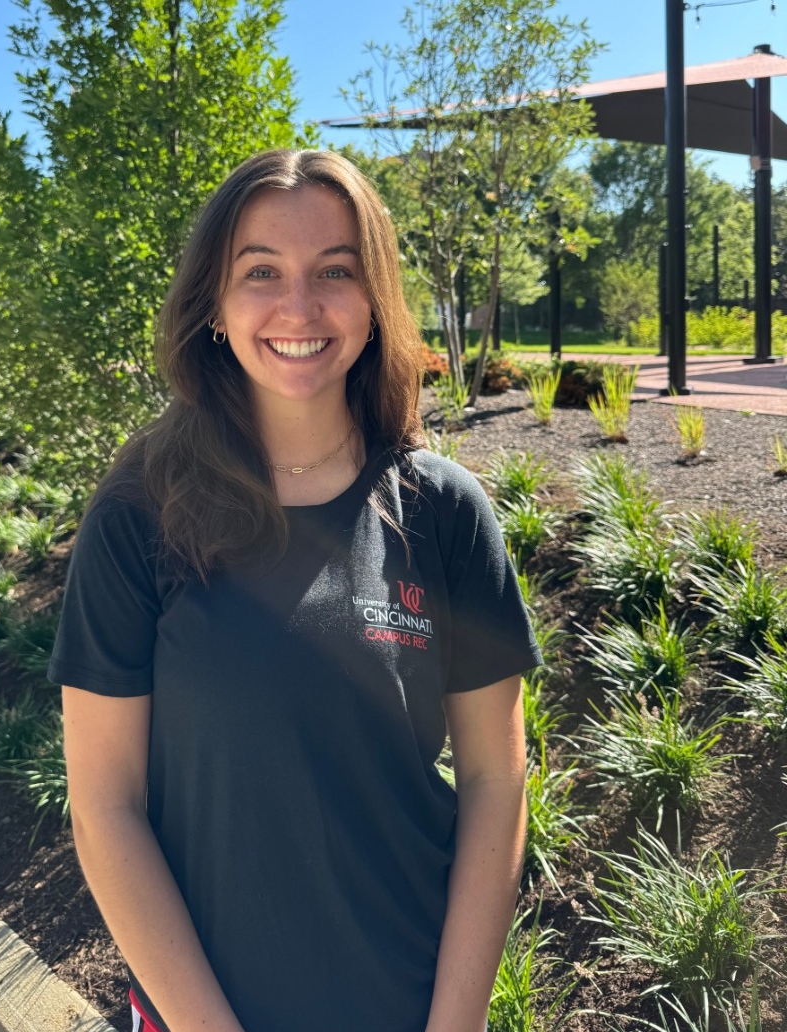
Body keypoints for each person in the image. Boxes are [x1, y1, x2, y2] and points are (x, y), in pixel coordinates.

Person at [48, 148, 540, 1032]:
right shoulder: (138, 511)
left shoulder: (443, 513)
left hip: (411, 1006)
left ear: (375, 299)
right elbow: (105, 806)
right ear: (214, 304)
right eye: (261, 271)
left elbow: (496, 780)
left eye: (336, 271)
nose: (299, 307)